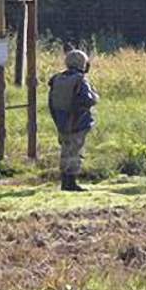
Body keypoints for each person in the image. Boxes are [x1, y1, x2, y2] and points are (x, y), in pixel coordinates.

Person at [48, 49, 98, 191]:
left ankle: (65, 182)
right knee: (75, 153)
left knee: (65, 152)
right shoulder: (80, 80)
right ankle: (71, 183)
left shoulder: (57, 79)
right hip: (78, 122)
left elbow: (51, 101)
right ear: (82, 63)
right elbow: (90, 100)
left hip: (61, 122)